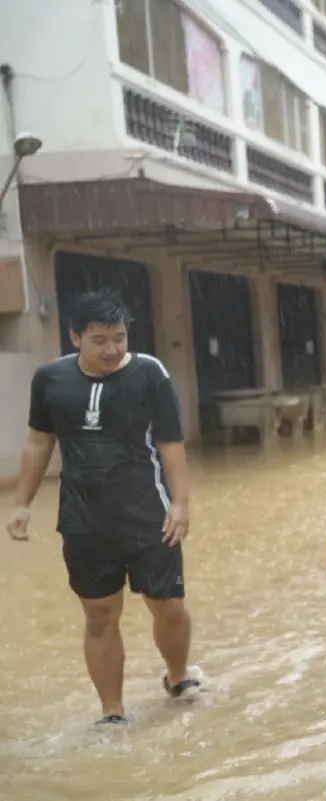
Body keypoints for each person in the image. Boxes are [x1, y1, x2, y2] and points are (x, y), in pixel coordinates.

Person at [5, 289, 200, 726]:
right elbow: (39, 442)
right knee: (99, 614)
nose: (112, 349)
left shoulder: (150, 374)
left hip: (149, 513)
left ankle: (178, 677)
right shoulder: (51, 380)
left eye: (120, 337)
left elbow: (171, 442)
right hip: (83, 520)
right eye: (100, 339)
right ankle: (113, 713)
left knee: (168, 604)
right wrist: (21, 504)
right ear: (75, 337)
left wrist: (182, 503)